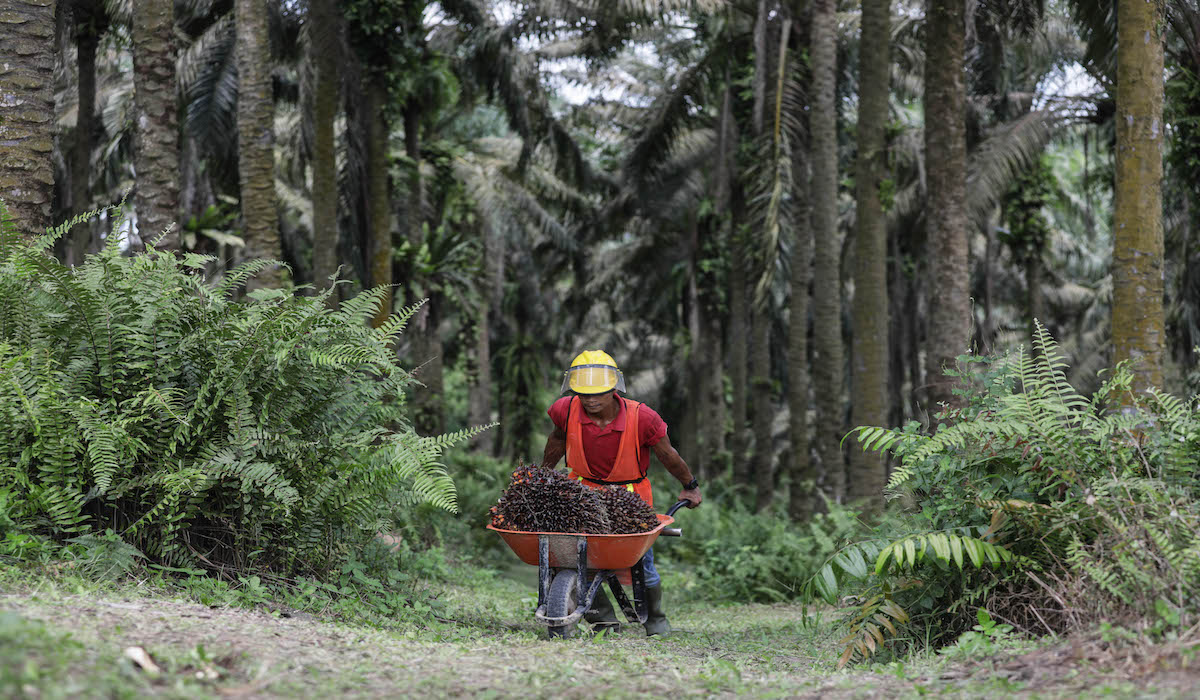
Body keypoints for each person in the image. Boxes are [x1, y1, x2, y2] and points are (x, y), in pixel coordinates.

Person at [539, 349, 702, 636]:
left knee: (640, 562)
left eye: (598, 393)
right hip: (581, 495)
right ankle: (603, 619)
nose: (590, 399)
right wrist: (544, 475)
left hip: (631, 499)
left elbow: (669, 456)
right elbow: (556, 441)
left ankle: (656, 619)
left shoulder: (643, 418)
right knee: (577, 557)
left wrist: (689, 486)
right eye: (583, 393)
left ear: (614, 388)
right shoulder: (565, 410)